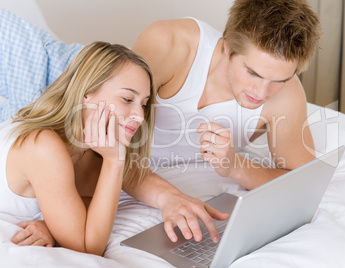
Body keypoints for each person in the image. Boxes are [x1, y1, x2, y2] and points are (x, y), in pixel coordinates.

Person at [5, 0, 322, 249]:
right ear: (226, 46)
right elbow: (96, 126)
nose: (261, 93)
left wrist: (237, 167)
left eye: (280, 79)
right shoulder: (171, 45)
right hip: (101, 151)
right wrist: (168, 197)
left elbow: (303, 184)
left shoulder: (287, 96)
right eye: (252, 73)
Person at [1, 41, 156, 255]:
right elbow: (87, 248)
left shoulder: (92, 146)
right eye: (127, 98)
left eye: (143, 103)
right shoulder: (42, 146)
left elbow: (86, 203)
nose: (139, 116)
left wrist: (55, 227)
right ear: (86, 94)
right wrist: (114, 161)